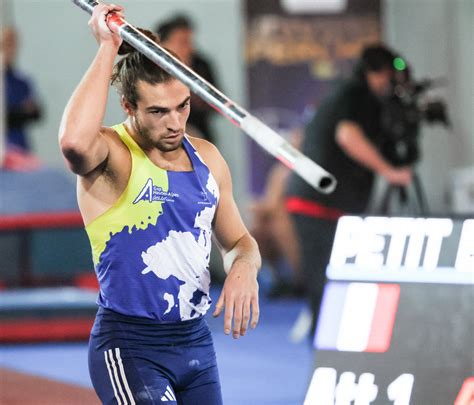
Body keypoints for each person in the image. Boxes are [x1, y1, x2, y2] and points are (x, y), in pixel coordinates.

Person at [58, 4, 260, 404]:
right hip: (130, 346)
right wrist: (106, 47)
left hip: (195, 345)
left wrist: (244, 268)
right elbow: (74, 143)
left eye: (182, 106)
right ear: (128, 107)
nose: (175, 123)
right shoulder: (112, 155)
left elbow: (240, 242)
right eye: (158, 111)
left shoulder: (208, 158)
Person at [286, 44, 412, 337]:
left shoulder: (350, 95)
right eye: (390, 78)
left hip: (328, 204)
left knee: (333, 277)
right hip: (316, 203)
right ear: (378, 73)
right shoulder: (354, 95)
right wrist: (390, 171)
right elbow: (348, 136)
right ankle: (325, 344)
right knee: (325, 279)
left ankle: (330, 336)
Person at [155, 15, 219, 143]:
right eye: (182, 42)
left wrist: (187, 75)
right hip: (157, 135)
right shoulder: (148, 68)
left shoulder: (201, 65)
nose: (190, 48)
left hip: (197, 134)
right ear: (163, 45)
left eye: (190, 42)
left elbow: (214, 104)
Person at [2, 26, 42, 152]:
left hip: (20, 149)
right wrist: (21, 112)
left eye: (13, 44)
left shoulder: (21, 82)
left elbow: (36, 113)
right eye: (5, 44)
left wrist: (14, 113)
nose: (10, 49)